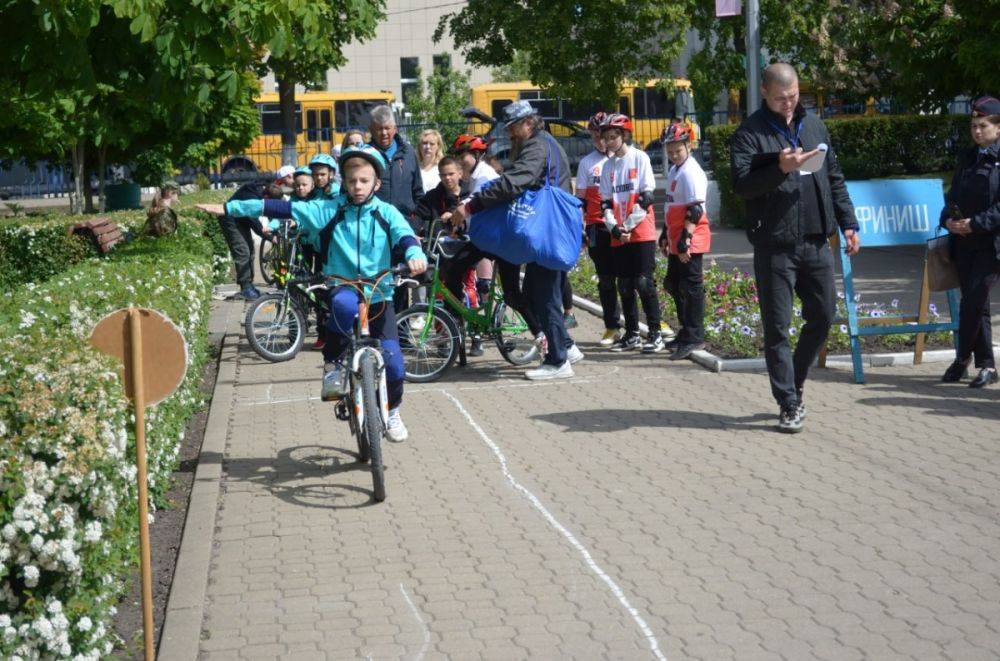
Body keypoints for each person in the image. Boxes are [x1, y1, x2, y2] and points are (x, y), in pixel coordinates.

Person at [197, 145, 427, 442]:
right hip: (342, 285)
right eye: (352, 180)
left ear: (376, 184)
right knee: (343, 310)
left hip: (379, 293)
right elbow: (279, 207)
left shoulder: (386, 212)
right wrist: (230, 208)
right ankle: (332, 363)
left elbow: (405, 235)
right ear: (344, 182)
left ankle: (392, 410)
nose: (358, 186)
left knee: (395, 365)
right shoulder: (328, 210)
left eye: (364, 181)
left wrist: (413, 253)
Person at [730, 62, 861, 433]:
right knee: (777, 328)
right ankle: (788, 403)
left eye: (794, 96)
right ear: (765, 94)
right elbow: (741, 186)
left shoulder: (815, 125)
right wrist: (780, 169)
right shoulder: (749, 133)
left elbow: (834, 177)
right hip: (775, 244)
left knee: (823, 315)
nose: (789, 104)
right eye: (781, 98)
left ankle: (796, 379)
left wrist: (848, 223)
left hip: (817, 239)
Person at [450, 100, 584, 380]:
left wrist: (473, 205)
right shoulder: (544, 143)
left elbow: (514, 182)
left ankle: (559, 360)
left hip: (546, 229)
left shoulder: (537, 145)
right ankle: (566, 348)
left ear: (527, 123)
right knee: (540, 292)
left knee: (545, 295)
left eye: (512, 128)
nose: (510, 134)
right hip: (548, 230)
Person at [940, 95, 1000, 388]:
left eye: (984, 125)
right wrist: (948, 220)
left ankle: (963, 357)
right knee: (978, 305)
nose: (977, 131)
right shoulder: (967, 157)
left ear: (998, 128)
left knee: (973, 302)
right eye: (974, 125)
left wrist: (975, 224)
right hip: (964, 244)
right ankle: (986, 366)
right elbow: (951, 198)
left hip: (991, 243)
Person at [598, 113, 665, 354]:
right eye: (606, 138)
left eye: (614, 137)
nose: (610, 142)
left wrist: (627, 225)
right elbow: (605, 202)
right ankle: (632, 333)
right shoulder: (608, 166)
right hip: (619, 233)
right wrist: (614, 227)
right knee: (624, 285)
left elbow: (647, 196)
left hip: (641, 231)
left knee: (644, 283)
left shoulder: (640, 158)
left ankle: (656, 334)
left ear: (624, 135)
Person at [659, 123, 711, 360]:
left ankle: (695, 336)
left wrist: (684, 240)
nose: (673, 155)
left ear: (688, 146)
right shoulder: (674, 171)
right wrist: (665, 234)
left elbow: (696, 210)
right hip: (675, 236)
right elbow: (671, 206)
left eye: (677, 150)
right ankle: (686, 330)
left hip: (690, 239)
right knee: (673, 284)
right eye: (670, 151)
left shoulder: (692, 171)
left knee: (691, 288)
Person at [368, 105, 424, 313]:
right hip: (375, 230)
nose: (384, 133)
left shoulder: (408, 152)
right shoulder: (367, 154)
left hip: (403, 230)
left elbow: (418, 192)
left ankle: (401, 331)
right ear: (371, 130)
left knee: (401, 284)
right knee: (377, 282)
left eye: (388, 128)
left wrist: (416, 226)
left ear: (395, 127)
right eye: (379, 129)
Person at [576, 112, 620, 345]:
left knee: (632, 276)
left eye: (604, 135)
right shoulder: (587, 163)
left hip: (622, 226)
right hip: (597, 225)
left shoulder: (626, 159)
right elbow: (580, 199)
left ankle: (647, 323)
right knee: (605, 278)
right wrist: (580, 227)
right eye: (595, 135)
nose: (601, 140)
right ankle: (612, 326)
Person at [216, 181, 286, 300]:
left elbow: (271, 212)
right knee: (243, 251)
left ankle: (249, 284)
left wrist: (275, 228)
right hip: (230, 219)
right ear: (266, 197)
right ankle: (245, 288)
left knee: (251, 249)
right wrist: (270, 237)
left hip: (241, 219)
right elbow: (255, 224)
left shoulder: (263, 194)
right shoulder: (251, 198)